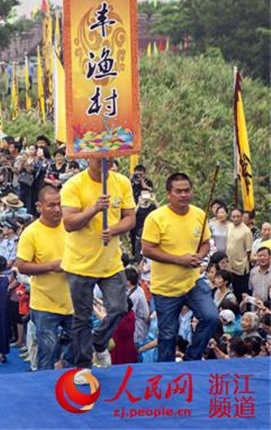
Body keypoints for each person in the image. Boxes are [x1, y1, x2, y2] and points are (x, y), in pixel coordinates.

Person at [60, 160, 135, 379]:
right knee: (81, 317)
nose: (104, 162)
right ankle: (83, 365)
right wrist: (94, 209)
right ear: (88, 157)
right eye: (98, 157)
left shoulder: (121, 182)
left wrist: (113, 230)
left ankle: (100, 341)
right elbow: (69, 223)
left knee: (119, 307)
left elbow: (130, 218)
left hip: (111, 262)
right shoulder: (74, 185)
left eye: (108, 157)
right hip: (79, 263)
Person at [141, 172, 219, 362]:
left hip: (193, 281)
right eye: (178, 191)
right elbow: (147, 250)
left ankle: (192, 357)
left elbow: (205, 242)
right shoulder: (155, 217)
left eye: (187, 190)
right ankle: (167, 376)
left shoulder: (199, 214)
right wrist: (179, 259)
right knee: (168, 335)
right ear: (169, 193)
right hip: (165, 288)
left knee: (211, 317)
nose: (184, 195)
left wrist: (199, 256)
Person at [15, 185, 73, 371]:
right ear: (39, 206)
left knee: (78, 350)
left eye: (59, 204)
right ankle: (47, 392)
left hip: (74, 301)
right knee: (47, 354)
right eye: (51, 205)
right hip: (44, 304)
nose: (57, 209)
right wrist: (50, 266)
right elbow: (21, 265)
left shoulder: (72, 227)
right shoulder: (31, 233)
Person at [225, 208, 253, 301]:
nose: (235, 219)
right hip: (229, 263)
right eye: (233, 216)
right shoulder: (229, 227)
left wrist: (247, 264)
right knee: (231, 288)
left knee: (241, 291)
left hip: (241, 265)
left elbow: (249, 250)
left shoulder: (246, 231)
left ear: (242, 217)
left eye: (238, 216)